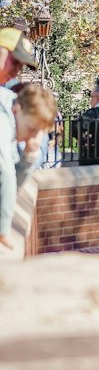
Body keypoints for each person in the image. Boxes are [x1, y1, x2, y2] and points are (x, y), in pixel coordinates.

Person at [0, 29, 38, 250]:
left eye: (20, 67)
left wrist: (29, 156)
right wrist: (3, 229)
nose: (16, 71)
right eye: (14, 62)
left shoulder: (6, 99)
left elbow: (10, 172)